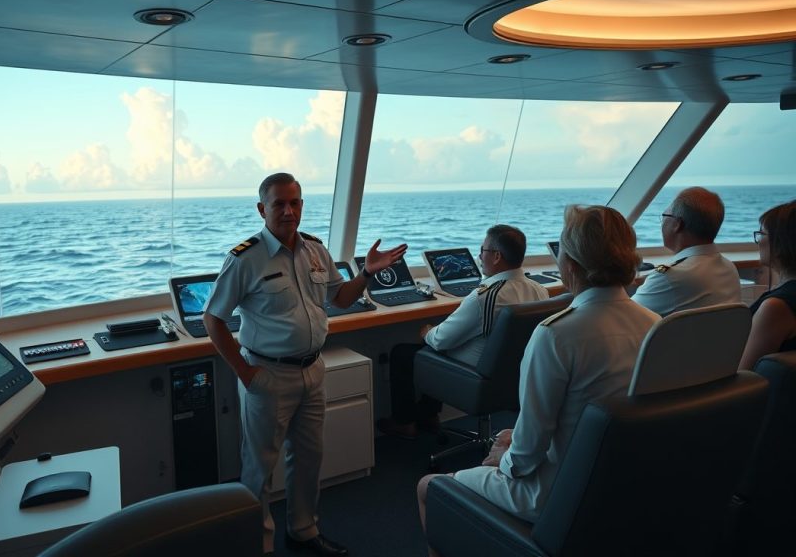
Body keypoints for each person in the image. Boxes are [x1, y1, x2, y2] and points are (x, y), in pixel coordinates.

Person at [416, 205, 658, 553]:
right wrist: (515, 440)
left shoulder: (557, 335)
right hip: (618, 480)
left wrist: (506, 458)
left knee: (429, 488)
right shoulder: (654, 324)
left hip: (555, 492)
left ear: (570, 264)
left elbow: (527, 455)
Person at [203, 172, 407, 557]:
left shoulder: (315, 249)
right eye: (278, 203)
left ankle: (302, 529)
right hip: (268, 374)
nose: (288, 210)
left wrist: (365, 273)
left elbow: (341, 299)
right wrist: (245, 373)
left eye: (294, 202)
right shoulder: (244, 258)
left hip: (313, 370)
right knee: (259, 468)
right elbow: (213, 319)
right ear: (262, 209)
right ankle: (257, 545)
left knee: (310, 457)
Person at [375, 225, 549, 440]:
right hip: (516, 375)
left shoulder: (485, 296)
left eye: (482, 250)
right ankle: (429, 415)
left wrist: (427, 332)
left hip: (479, 378)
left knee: (404, 352)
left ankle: (404, 422)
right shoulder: (540, 290)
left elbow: (440, 340)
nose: (479, 255)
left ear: (496, 257)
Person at [632, 187, 741, 316]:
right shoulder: (729, 268)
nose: (661, 223)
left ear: (677, 224)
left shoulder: (669, 276)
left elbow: (626, 315)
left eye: (665, 216)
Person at [739, 200, 796, 370]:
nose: (757, 242)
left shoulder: (777, 307)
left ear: (781, 243)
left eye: (761, 234)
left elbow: (743, 374)